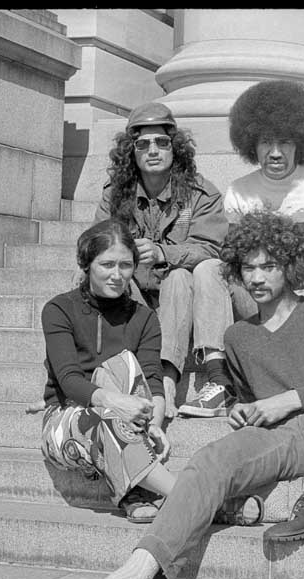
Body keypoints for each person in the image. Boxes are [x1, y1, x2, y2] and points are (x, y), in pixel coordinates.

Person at [73, 211, 304, 579]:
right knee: (209, 459)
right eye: (249, 268)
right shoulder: (237, 336)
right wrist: (243, 409)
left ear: (291, 266)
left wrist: (287, 399)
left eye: (269, 266)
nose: (258, 278)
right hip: (278, 441)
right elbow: (250, 397)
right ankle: (139, 572)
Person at [177, 79, 304, 418]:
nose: (276, 152)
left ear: (302, 142)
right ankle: (218, 379)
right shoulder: (239, 192)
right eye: (266, 143)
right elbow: (236, 256)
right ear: (251, 144)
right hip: (264, 297)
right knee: (209, 269)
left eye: (285, 142)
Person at [95, 101, 243, 420]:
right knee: (92, 275)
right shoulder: (114, 195)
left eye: (162, 142)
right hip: (136, 296)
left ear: (175, 149)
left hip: (181, 298)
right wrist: (125, 254)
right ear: (130, 151)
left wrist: (165, 253)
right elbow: (96, 246)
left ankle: (165, 380)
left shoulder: (200, 194)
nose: (153, 150)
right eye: (143, 143)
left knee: (182, 275)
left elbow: (215, 249)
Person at [34, 218, 176, 523]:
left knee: (124, 366)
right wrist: (116, 403)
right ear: (86, 265)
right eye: (106, 264)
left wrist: (155, 423)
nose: (116, 275)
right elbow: (69, 380)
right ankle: (192, 497)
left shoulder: (145, 318)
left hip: (127, 420)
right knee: (105, 420)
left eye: (125, 265)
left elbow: (151, 379)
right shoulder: (59, 309)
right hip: (66, 421)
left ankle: (135, 490)